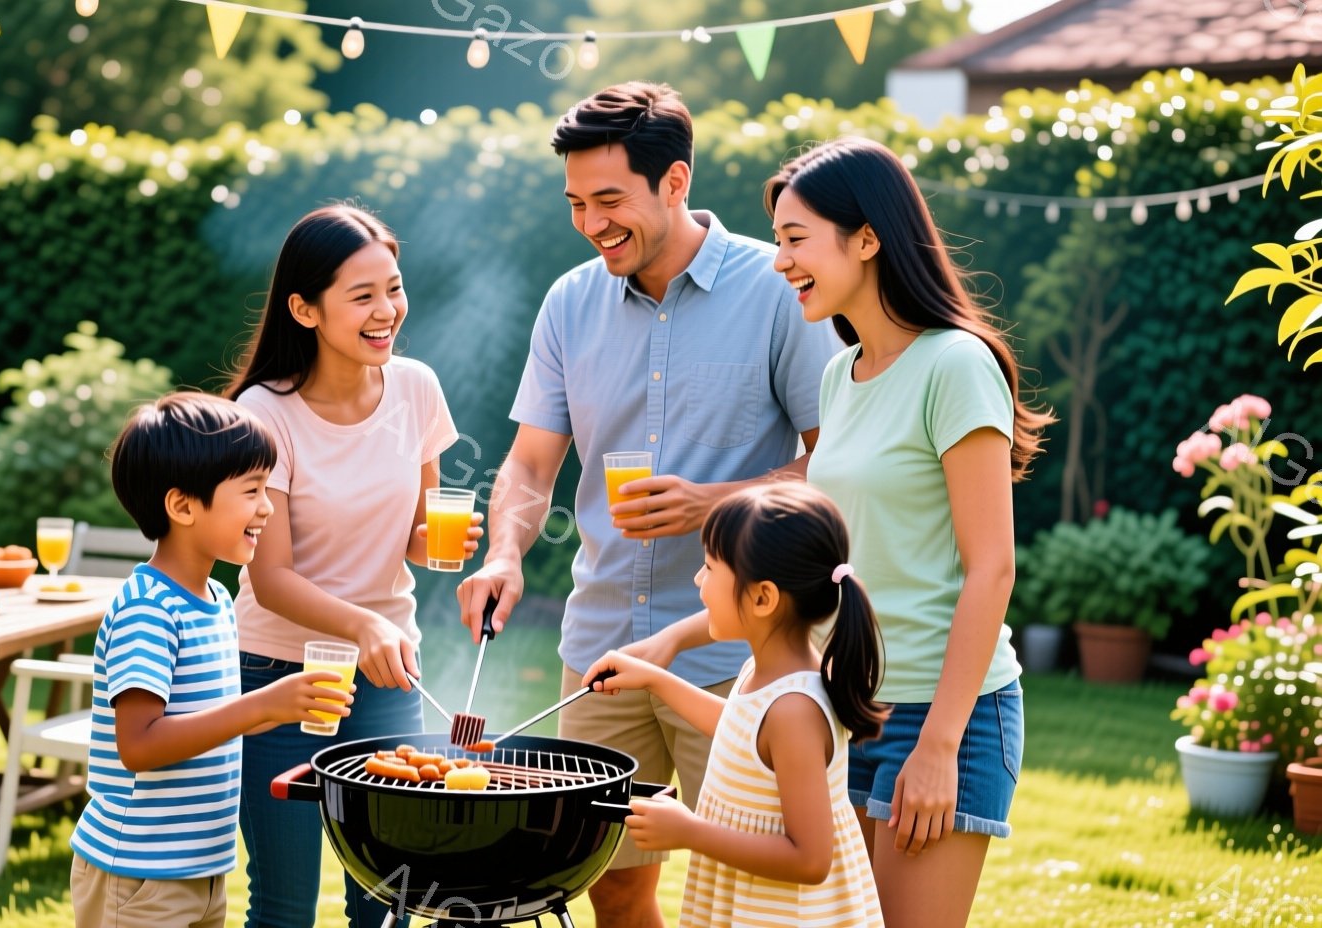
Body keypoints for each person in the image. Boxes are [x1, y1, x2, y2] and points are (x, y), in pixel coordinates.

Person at [635, 136, 1053, 928]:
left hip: (943, 716)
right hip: (846, 705)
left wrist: (938, 745)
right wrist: (673, 645)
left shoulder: (955, 365)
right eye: (780, 240)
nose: (780, 260)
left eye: (797, 240)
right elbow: (828, 568)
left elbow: (992, 569)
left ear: (867, 238)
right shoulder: (841, 374)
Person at [455, 81, 842, 928]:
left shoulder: (778, 291)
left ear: (674, 182)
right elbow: (528, 465)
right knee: (609, 882)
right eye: (576, 204)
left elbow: (834, 466)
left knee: (750, 894)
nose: (593, 224)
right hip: (601, 650)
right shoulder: (568, 303)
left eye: (610, 201)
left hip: (738, 660)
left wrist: (717, 501)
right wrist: (504, 555)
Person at [226, 204, 473, 928]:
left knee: (390, 900)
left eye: (392, 289)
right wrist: (362, 624)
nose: (386, 311)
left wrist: (442, 545)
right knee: (284, 905)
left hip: (386, 676)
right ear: (304, 309)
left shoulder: (416, 387)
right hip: (280, 676)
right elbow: (270, 578)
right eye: (362, 296)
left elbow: (419, 539)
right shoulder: (264, 414)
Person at [70, 392, 353, 928]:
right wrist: (260, 705)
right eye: (251, 491)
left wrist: (287, 705)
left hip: (201, 870)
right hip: (138, 874)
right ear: (182, 506)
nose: (267, 507)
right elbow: (139, 745)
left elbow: (212, 718)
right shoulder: (148, 611)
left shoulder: (217, 602)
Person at [582, 482, 885, 927]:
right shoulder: (766, 673)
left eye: (709, 568)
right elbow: (741, 734)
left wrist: (690, 832)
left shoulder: (795, 710)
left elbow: (810, 859)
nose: (698, 580)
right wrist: (655, 680)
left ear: (762, 597)